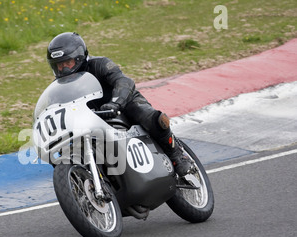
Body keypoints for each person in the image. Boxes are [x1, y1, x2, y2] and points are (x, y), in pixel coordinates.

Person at [46, 32, 194, 176]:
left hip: (122, 103)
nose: (63, 68)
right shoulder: (59, 87)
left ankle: (177, 155)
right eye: (59, 65)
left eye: (67, 63)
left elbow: (124, 81)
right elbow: (57, 110)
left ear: (79, 58)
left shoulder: (100, 64)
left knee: (152, 118)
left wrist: (115, 103)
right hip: (92, 120)